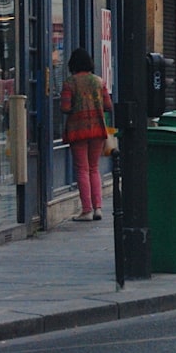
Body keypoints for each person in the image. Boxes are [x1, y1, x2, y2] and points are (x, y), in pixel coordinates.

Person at [60, 48, 112, 222]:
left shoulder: (69, 83)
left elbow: (65, 107)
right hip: (97, 128)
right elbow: (108, 105)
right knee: (94, 168)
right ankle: (98, 208)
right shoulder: (99, 81)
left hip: (77, 130)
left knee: (82, 169)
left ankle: (86, 210)